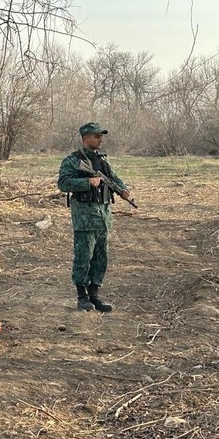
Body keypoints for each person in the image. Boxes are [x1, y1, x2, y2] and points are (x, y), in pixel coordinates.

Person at [57, 122, 130, 312]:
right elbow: (63, 183)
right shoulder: (73, 161)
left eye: (101, 136)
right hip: (85, 217)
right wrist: (87, 182)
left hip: (103, 217)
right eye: (96, 136)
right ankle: (82, 296)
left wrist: (122, 189)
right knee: (83, 256)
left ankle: (95, 294)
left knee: (101, 257)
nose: (100, 139)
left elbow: (113, 178)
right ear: (85, 138)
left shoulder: (102, 160)